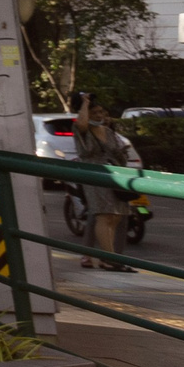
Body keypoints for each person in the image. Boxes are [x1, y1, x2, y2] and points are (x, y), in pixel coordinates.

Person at [69, 92, 135, 271]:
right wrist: (85, 102)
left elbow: (119, 151)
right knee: (103, 214)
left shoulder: (107, 131)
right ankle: (110, 259)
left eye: (101, 112)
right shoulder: (82, 130)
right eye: (94, 113)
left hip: (114, 175)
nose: (99, 116)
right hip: (94, 176)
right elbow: (81, 123)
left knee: (115, 216)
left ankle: (108, 257)